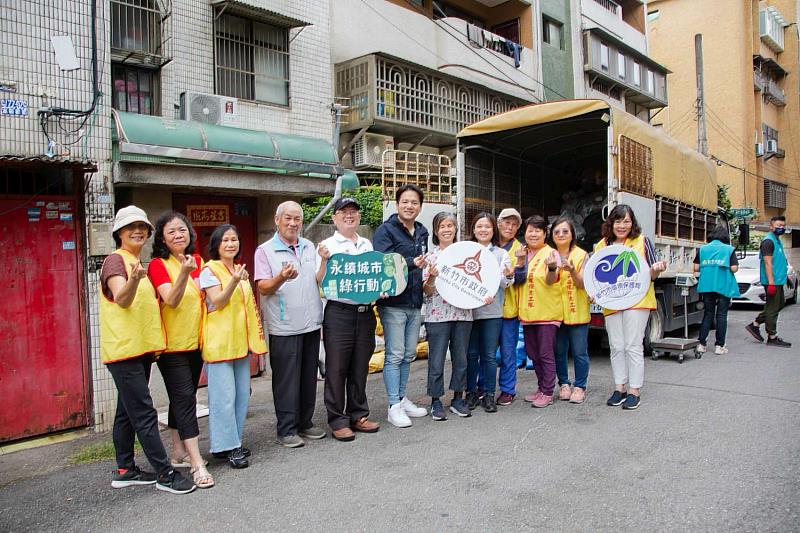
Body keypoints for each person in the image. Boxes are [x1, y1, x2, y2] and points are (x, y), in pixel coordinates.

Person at [100, 205, 195, 494]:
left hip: (138, 350)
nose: (138, 231)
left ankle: (125, 469)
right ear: (119, 233)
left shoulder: (134, 261)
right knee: (143, 412)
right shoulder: (116, 262)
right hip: (124, 351)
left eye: (142, 226)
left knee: (126, 413)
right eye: (131, 227)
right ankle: (165, 474)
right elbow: (122, 299)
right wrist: (134, 280)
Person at [147, 211, 212, 487]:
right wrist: (184, 274)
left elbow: (209, 295)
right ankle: (196, 463)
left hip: (196, 342)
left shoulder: (198, 260)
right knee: (186, 399)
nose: (178, 235)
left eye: (182, 230)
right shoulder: (157, 265)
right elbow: (171, 300)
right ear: (162, 237)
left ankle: (178, 452)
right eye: (171, 231)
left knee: (181, 398)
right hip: (172, 347)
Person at [255, 201, 326, 447]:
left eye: (297, 219)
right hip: (284, 325)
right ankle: (286, 429)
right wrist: (281, 277)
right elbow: (263, 287)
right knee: (286, 380)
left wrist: (325, 262)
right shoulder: (265, 250)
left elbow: (316, 279)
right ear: (277, 220)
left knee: (308, 377)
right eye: (288, 218)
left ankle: (305, 422)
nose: (293, 223)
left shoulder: (308, 246)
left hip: (310, 323)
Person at [200, 224, 267, 468]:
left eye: (234, 239)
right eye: (226, 240)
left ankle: (231, 441)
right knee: (223, 398)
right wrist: (234, 281)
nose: (231, 244)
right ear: (216, 245)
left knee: (241, 396)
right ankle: (229, 447)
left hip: (239, 343)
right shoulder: (209, 270)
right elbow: (217, 301)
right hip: (219, 345)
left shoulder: (238, 270)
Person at [315, 197, 381, 442]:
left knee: (359, 366)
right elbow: (318, 280)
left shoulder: (366, 244)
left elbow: (376, 277)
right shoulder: (326, 245)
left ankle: (358, 415)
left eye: (353, 211)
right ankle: (337, 420)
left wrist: (381, 289)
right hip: (339, 313)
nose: (349, 215)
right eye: (343, 212)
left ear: (359, 217)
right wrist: (323, 259)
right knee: (336, 368)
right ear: (334, 218)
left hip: (364, 314)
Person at [594, 204, 666, 410]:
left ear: (632, 223)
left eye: (626, 221)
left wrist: (657, 269)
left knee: (633, 345)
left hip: (637, 301)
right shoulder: (601, 246)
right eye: (618, 221)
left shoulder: (642, 242)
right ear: (611, 223)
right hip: (612, 303)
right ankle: (620, 388)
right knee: (616, 346)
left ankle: (634, 390)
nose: (622, 225)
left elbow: (652, 274)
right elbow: (596, 278)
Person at [373, 184, 430, 428]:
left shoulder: (422, 231)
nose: (410, 206)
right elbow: (382, 263)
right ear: (397, 204)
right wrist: (411, 263)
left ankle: (402, 397)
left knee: (408, 354)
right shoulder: (386, 230)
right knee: (395, 355)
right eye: (405, 201)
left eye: (414, 202)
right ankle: (393, 406)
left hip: (415, 301)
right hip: (393, 301)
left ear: (420, 206)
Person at [422, 212, 473, 421]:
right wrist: (433, 276)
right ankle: (436, 401)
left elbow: (478, 282)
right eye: (442, 226)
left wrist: (484, 296)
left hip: (463, 315)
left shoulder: (465, 254)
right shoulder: (429, 258)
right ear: (436, 230)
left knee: (461, 359)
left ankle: (458, 398)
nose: (446, 229)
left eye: (450, 225)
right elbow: (426, 290)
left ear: (455, 229)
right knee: (436, 360)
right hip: (437, 316)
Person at [465, 213, 514, 413]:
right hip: (468, 312)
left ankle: (489, 394)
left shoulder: (501, 254)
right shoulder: (465, 251)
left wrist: (509, 275)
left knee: (489, 356)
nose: (483, 230)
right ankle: (470, 393)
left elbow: (505, 283)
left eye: (487, 226)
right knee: (471, 355)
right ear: (473, 229)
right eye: (479, 226)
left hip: (492, 312)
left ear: (494, 230)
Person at [517, 215, 563, 409]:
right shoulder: (522, 253)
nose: (533, 234)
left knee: (545, 354)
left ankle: (547, 391)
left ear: (545, 233)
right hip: (528, 315)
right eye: (530, 230)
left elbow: (551, 280)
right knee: (533, 354)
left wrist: (552, 269)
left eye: (538, 230)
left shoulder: (551, 254)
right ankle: (540, 388)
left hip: (547, 314)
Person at [550, 217, 591, 404]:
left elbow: (584, 284)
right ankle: (564, 384)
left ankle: (580, 386)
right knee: (559, 351)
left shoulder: (582, 255)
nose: (561, 235)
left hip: (578, 311)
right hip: (556, 313)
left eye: (565, 231)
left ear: (572, 234)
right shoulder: (549, 255)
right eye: (557, 231)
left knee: (579, 352)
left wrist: (572, 270)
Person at [745, 215, 792, 348]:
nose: (781, 228)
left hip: (778, 279)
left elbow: (778, 262)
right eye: (778, 226)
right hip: (772, 282)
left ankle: (755, 324)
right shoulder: (768, 242)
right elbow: (768, 263)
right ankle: (772, 336)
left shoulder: (777, 241)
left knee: (780, 304)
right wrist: (771, 283)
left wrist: (786, 276)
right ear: (771, 227)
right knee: (772, 308)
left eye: (783, 226)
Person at [693, 226, 740, 355]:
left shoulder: (703, 249)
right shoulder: (729, 250)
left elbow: (696, 267)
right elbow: (734, 268)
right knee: (721, 315)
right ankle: (720, 346)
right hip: (723, 285)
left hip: (707, 285)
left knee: (708, 313)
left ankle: (701, 344)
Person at [496, 208, 525, 406]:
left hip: (508, 309)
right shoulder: (487, 245)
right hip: (485, 310)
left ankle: (507, 390)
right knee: (485, 353)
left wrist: (520, 264)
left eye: (514, 224)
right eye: (507, 223)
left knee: (508, 352)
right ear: (498, 223)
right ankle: (483, 387)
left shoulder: (519, 249)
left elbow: (521, 279)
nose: (510, 227)